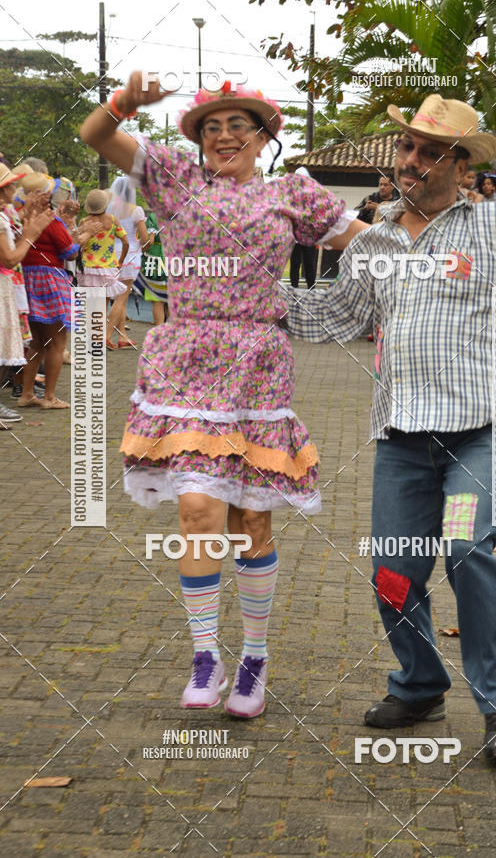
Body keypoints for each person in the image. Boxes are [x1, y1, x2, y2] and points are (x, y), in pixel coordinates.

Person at [281, 93, 496, 760]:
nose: (413, 161)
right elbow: (338, 317)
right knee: (393, 571)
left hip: (479, 435)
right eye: (407, 148)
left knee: (465, 550)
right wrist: (250, 296)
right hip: (401, 440)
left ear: (460, 164)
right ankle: (420, 684)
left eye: (431, 152)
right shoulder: (374, 241)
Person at [80, 72, 366, 717]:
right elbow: (96, 132)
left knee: (251, 518)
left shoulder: (292, 194)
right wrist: (127, 101)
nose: (224, 135)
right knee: (196, 512)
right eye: (213, 126)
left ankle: (255, 662)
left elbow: (369, 244)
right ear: (199, 139)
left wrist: (416, 271)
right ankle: (205, 656)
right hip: (183, 359)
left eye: (239, 124)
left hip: (257, 363)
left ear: (264, 136)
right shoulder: (174, 179)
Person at [17, 173, 80, 409]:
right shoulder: (49, 220)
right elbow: (70, 251)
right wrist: (77, 232)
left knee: (36, 342)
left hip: (28, 280)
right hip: (50, 280)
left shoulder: (22, 216)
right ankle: (49, 397)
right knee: (56, 342)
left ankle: (26, 394)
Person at [0, 164, 53, 426]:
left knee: (7, 344)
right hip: (3, 283)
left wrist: (27, 223)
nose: (14, 188)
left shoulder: (4, 213)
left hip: (8, 285)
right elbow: (9, 258)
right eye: (10, 185)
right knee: (4, 344)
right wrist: (30, 235)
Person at [78, 189, 129, 348]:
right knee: (103, 306)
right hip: (107, 269)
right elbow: (126, 242)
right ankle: (98, 340)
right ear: (106, 206)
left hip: (87, 269)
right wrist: (120, 261)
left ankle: (90, 339)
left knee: (90, 305)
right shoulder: (113, 221)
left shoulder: (84, 222)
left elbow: (80, 245)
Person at [105, 177, 149, 348]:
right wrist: (145, 245)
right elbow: (144, 238)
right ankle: (107, 335)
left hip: (110, 256)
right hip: (129, 255)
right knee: (122, 298)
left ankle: (122, 335)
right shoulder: (136, 210)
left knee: (113, 295)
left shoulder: (109, 209)